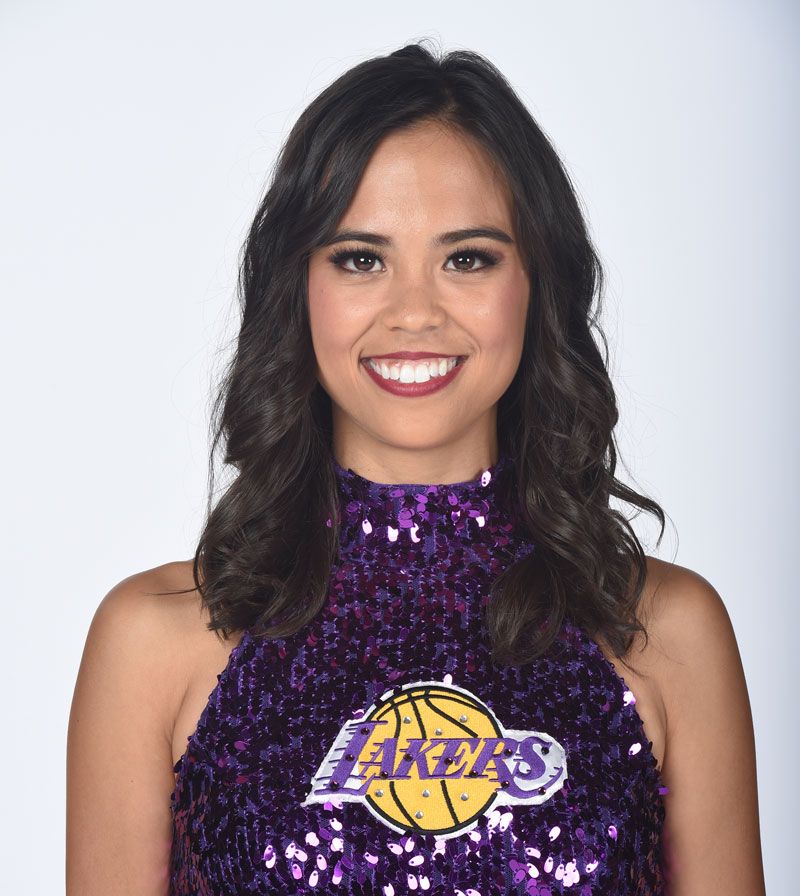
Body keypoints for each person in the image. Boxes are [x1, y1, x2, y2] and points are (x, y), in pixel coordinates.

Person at [66, 41, 765, 895]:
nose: (414, 312)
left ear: (536, 283)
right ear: (298, 289)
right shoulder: (152, 642)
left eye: (467, 257)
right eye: (361, 258)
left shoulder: (668, 633)